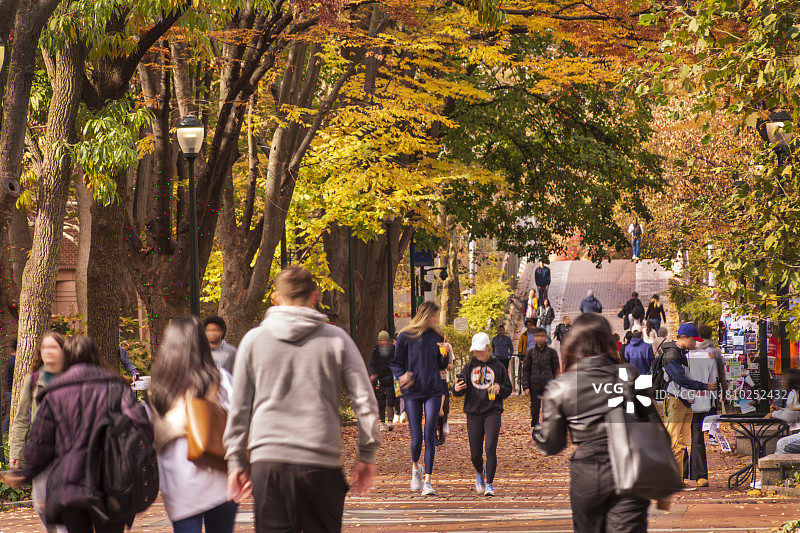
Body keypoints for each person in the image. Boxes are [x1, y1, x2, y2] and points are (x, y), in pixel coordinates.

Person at [224, 266, 379, 531]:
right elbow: (364, 400)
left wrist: (236, 461)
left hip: (268, 461)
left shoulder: (253, 341)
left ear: (276, 298)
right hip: (320, 461)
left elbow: (239, 408)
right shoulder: (337, 339)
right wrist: (366, 453)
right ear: (315, 296)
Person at [4, 335, 151, 533]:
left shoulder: (55, 394)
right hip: (111, 481)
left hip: (69, 483)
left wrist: (25, 473)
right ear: (95, 356)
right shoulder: (116, 387)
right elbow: (140, 426)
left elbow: (41, 443)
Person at [534, 313, 651, 531]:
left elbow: (552, 444)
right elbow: (649, 424)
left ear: (573, 343)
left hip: (589, 469)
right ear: (607, 341)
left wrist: (537, 432)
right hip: (631, 466)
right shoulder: (630, 374)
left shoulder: (562, 385)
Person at [149, 317, 237, 532]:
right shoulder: (219, 379)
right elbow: (238, 421)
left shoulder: (157, 387)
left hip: (178, 482)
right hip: (218, 474)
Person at [390, 301, 450, 496]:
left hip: (433, 390)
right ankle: (416, 468)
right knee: (416, 438)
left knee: (429, 434)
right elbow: (396, 363)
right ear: (426, 315)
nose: (437, 320)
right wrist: (402, 376)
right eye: (435, 316)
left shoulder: (437, 336)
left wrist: (444, 354)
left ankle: (428, 482)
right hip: (413, 392)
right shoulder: (405, 336)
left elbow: (441, 365)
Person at [9, 331, 66, 533]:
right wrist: (15, 451)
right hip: (40, 451)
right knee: (40, 501)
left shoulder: (71, 378)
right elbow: (21, 418)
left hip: (67, 451)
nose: (48, 352)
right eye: (45, 348)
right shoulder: (32, 381)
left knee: (64, 500)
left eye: (53, 347)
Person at [453, 332, 512, 497]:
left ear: (488, 348)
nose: (478, 354)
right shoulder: (468, 367)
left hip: (493, 411)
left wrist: (500, 389)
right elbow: (458, 391)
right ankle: (480, 472)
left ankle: (490, 484)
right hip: (473, 412)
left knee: (490, 448)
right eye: (475, 351)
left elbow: (508, 389)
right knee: (475, 454)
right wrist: (455, 389)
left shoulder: (499, 367)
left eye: (481, 350)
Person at [661, 323, 718, 486]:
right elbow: (681, 379)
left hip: (687, 401)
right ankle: (679, 477)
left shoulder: (682, 353)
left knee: (681, 441)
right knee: (680, 440)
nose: (696, 344)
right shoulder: (674, 354)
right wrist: (704, 388)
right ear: (684, 337)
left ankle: (680, 477)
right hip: (682, 401)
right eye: (693, 340)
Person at [522, 328, 559, 427]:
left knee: (547, 410)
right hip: (534, 386)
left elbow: (556, 370)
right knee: (534, 410)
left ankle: (547, 429)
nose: (540, 338)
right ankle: (535, 427)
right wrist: (525, 386)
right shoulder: (530, 353)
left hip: (548, 386)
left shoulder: (551, 353)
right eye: (538, 336)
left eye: (542, 336)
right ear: (534, 338)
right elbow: (526, 370)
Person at [368, 331, 397, 432]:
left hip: (390, 378)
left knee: (390, 401)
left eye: (385, 340)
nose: (384, 342)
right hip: (379, 380)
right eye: (382, 340)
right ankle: (382, 422)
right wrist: (372, 374)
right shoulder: (375, 351)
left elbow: (396, 362)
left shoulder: (393, 349)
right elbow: (371, 364)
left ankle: (390, 421)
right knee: (380, 402)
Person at [767, 369, 800, 453]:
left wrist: (773, 414)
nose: (781, 381)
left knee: (782, 444)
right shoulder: (797, 394)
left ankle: (780, 466)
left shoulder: (794, 394)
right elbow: (794, 410)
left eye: (784, 378)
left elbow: (789, 416)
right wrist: (781, 410)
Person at [3, 336, 16, 433]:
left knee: (9, 415)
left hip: (9, 390)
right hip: (12, 391)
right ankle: (4, 435)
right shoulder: (15, 361)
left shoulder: (11, 359)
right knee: (9, 417)